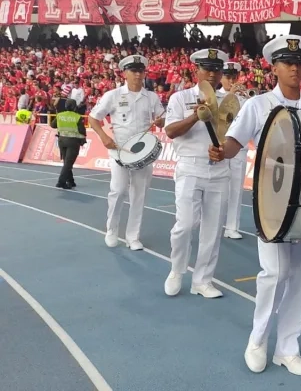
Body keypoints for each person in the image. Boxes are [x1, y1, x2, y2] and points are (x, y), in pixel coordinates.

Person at [215, 35, 301, 376]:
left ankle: (288, 348)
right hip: (272, 202)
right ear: (273, 67)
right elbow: (233, 142)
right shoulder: (258, 105)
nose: (294, 68)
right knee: (275, 273)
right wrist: (221, 151)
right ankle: (258, 339)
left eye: (299, 63)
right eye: (287, 63)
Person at [163, 48, 231, 299]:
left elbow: (237, 135)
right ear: (197, 71)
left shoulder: (230, 101)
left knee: (213, 230)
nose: (212, 74)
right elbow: (170, 131)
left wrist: (226, 149)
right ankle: (176, 270)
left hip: (220, 169)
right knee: (185, 224)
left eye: (217, 69)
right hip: (190, 166)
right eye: (207, 69)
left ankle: (203, 280)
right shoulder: (180, 98)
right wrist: (196, 115)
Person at [89, 55, 165, 250]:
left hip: (143, 152)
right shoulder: (113, 95)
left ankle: (133, 236)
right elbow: (93, 118)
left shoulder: (151, 97)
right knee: (118, 191)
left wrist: (161, 121)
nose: (138, 75)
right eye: (133, 71)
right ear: (125, 73)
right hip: (119, 151)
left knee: (139, 195)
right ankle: (112, 229)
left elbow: (163, 118)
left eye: (141, 71)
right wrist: (104, 137)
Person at [219, 61, 248, 240]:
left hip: (239, 148)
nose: (231, 80)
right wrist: (229, 96)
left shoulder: (244, 98)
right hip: (221, 146)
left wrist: (243, 97)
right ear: (221, 77)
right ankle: (215, 222)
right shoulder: (214, 96)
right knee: (218, 188)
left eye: (233, 77)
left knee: (236, 189)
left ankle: (232, 226)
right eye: (227, 77)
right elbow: (218, 118)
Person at [49, 98, 86, 190]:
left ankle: (71, 181)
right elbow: (82, 130)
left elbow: (53, 125)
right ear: (74, 107)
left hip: (61, 140)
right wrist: (83, 139)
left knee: (66, 162)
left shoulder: (60, 115)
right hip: (73, 141)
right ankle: (61, 182)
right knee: (68, 163)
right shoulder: (77, 117)